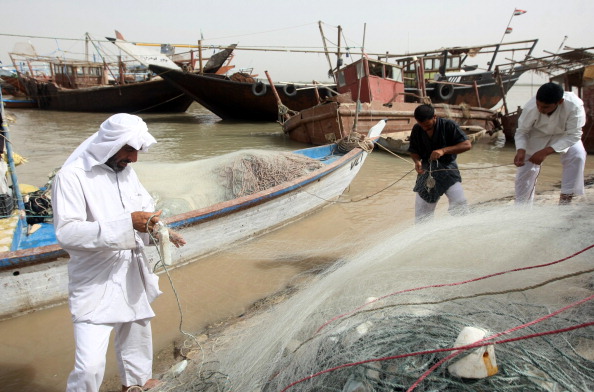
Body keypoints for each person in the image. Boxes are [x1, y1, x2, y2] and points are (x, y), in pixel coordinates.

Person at [51, 113, 186, 392]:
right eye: (129, 150)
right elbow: (67, 233)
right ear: (109, 145)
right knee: (89, 366)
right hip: (95, 279)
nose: (134, 158)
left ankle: (135, 384)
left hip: (132, 271)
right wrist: (127, 224)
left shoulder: (127, 173)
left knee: (136, 337)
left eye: (136, 151)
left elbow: (145, 214)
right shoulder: (72, 177)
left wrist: (159, 230)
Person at [514, 82, 586, 205]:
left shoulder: (574, 105)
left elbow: (574, 135)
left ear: (560, 102)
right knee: (525, 169)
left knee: (577, 155)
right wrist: (521, 149)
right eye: (538, 105)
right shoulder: (531, 107)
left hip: (565, 135)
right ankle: (522, 207)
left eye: (545, 107)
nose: (540, 109)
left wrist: (546, 151)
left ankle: (565, 201)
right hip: (537, 135)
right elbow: (522, 131)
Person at [408, 104, 472, 222]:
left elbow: (467, 145)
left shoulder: (449, 125)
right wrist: (417, 162)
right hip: (427, 171)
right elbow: (413, 151)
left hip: (448, 169)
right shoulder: (417, 129)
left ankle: (461, 228)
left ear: (435, 117)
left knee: (459, 203)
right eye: (421, 125)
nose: (424, 128)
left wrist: (443, 150)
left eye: (427, 125)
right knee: (422, 211)